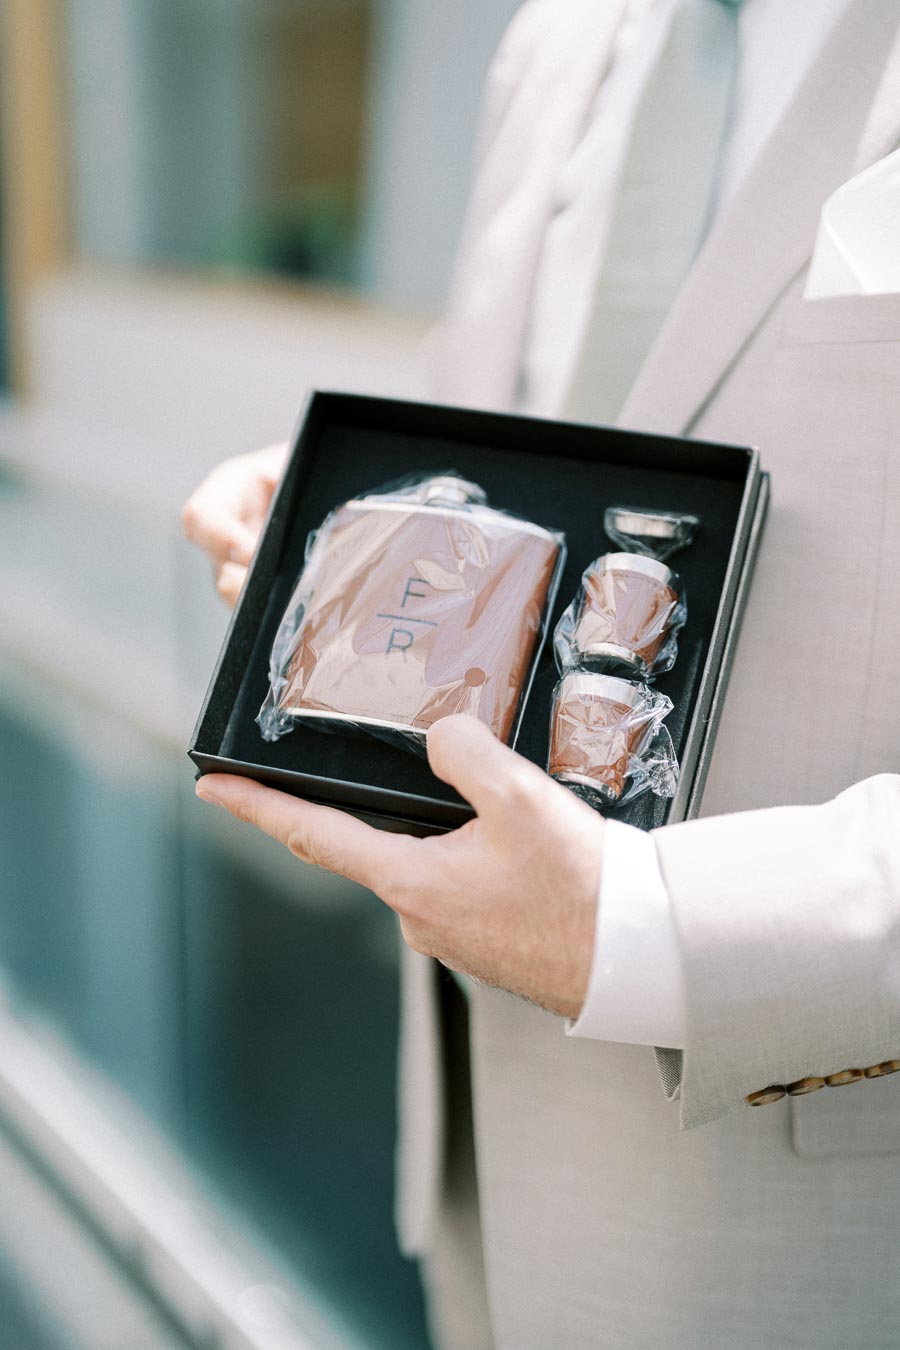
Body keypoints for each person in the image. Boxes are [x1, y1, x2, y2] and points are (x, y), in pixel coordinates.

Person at [183, 1, 900, 1346]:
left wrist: (649, 932)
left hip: (815, 1239)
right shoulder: (558, 40)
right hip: (472, 1202)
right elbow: (562, 429)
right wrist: (345, 537)